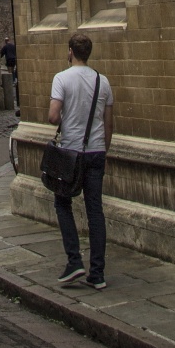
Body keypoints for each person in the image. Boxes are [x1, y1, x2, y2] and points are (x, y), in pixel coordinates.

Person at [47, 31, 114, 291]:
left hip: (70, 153)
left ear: (70, 51)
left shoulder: (61, 78)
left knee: (62, 202)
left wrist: (65, 118)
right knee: (95, 211)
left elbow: (53, 117)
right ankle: (97, 274)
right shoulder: (102, 81)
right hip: (96, 152)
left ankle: (74, 260)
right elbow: (109, 124)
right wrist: (103, 150)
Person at [0, 37, 19, 115]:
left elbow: (2, 53)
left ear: (5, 41)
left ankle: (11, 80)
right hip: (14, 59)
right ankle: (14, 80)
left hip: (9, 59)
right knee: (13, 70)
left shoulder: (5, 46)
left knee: (9, 71)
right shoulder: (13, 45)